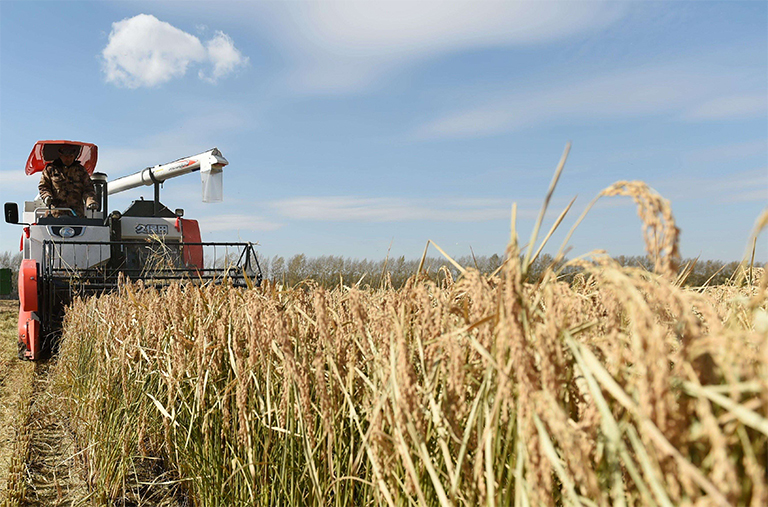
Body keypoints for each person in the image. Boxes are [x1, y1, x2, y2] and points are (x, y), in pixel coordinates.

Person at [38, 145, 98, 217]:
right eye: (66, 157)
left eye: (71, 156)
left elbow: (88, 188)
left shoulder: (80, 170)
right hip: (56, 215)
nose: (68, 159)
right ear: (60, 155)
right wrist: (47, 197)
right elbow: (44, 186)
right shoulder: (50, 169)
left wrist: (91, 201)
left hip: (77, 214)